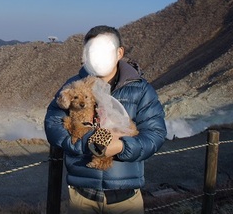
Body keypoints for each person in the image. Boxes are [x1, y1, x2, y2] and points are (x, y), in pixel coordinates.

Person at [45, 25, 167, 214]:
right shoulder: (73, 86)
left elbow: (156, 135)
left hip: (126, 197)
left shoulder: (141, 89)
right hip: (82, 197)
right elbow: (53, 124)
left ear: (119, 52)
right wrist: (87, 143)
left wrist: (122, 147)